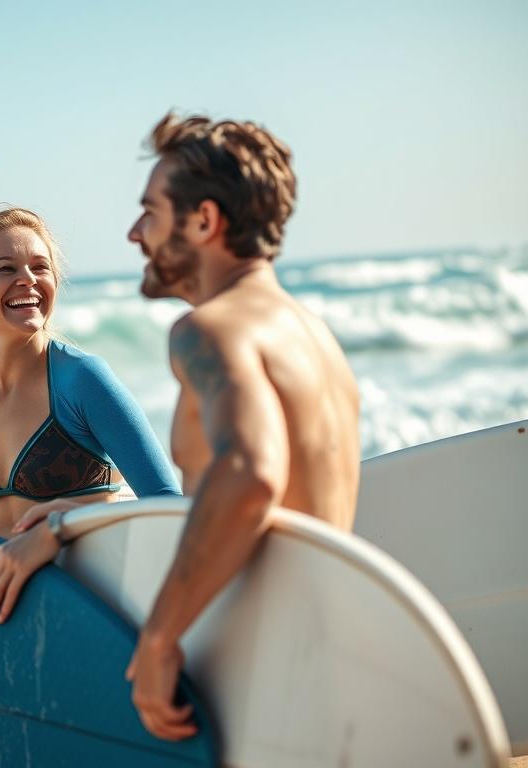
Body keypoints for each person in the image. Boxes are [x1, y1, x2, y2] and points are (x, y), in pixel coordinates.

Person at [120, 112, 360, 740]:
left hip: (265, 671)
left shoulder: (212, 330)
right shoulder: (313, 338)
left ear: (203, 221)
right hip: (328, 656)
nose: (134, 232)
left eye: (150, 211)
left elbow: (249, 473)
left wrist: (160, 636)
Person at [0, 207, 180, 625]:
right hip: (9, 626)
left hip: (93, 618)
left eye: (40, 267)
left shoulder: (80, 380)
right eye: (6, 268)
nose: (27, 278)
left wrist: (61, 526)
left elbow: (168, 508)